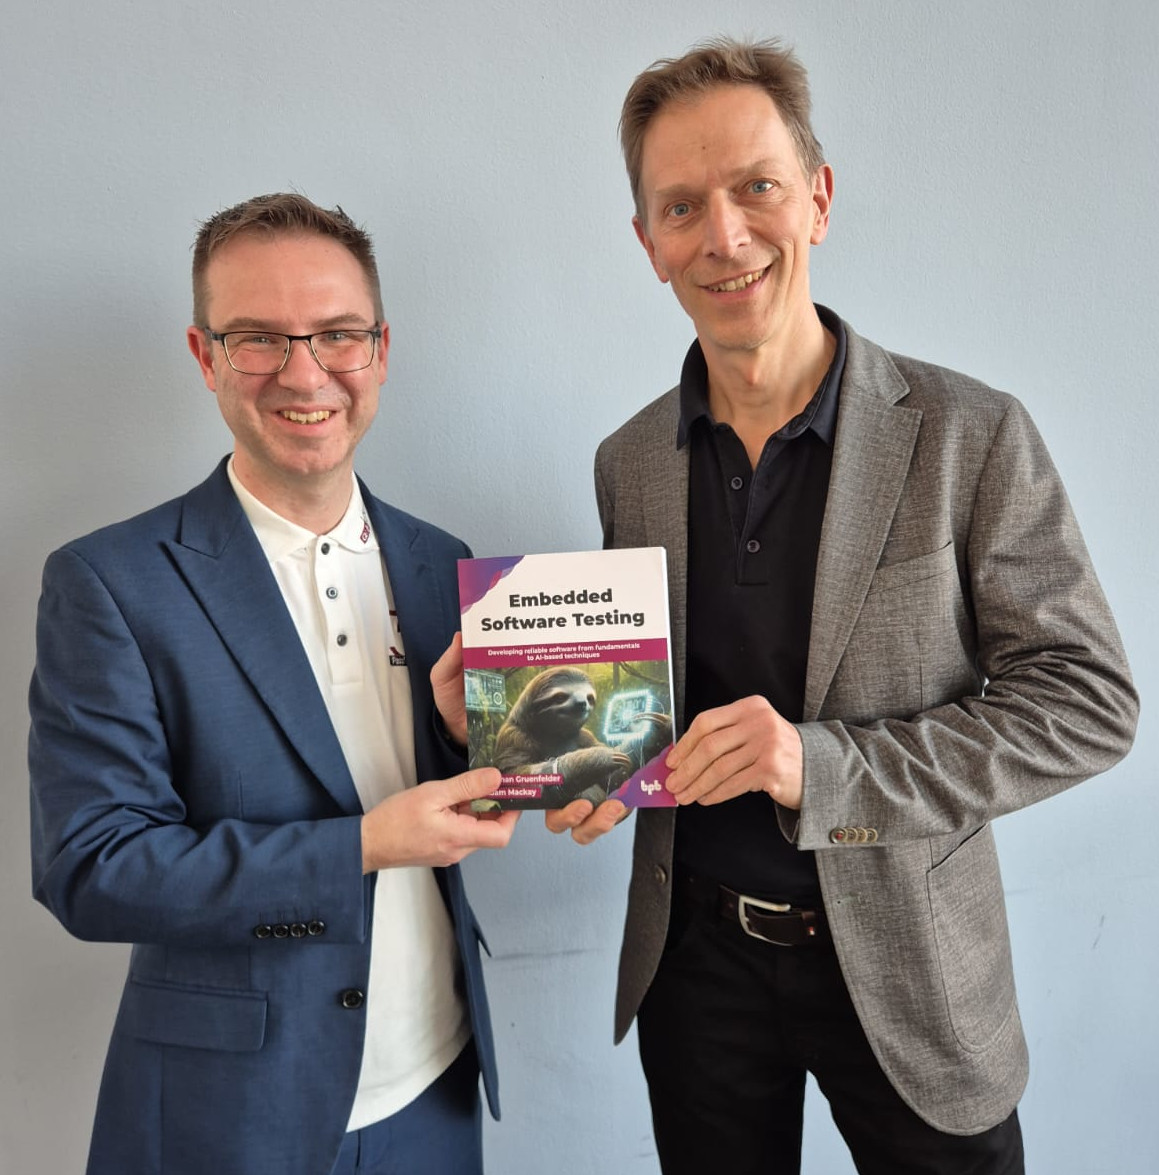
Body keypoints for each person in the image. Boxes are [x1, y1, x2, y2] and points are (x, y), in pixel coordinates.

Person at [547, 38, 1139, 1175]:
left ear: (816, 199)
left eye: (755, 187)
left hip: (913, 972)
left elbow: (1087, 703)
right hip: (695, 970)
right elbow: (653, 709)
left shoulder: (972, 433)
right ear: (647, 242)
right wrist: (590, 766)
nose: (722, 234)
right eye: (681, 206)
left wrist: (820, 768)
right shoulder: (627, 461)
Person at [28, 193, 518, 1175]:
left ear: (378, 349)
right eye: (257, 336)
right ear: (205, 355)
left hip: (437, 1084)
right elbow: (93, 868)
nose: (304, 372)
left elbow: (449, 792)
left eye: (336, 334)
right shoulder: (110, 582)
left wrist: (475, 742)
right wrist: (367, 845)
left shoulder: (442, 563)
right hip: (233, 1113)